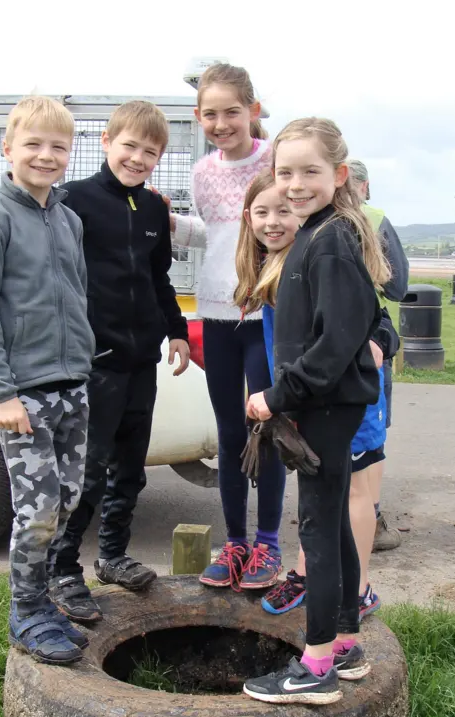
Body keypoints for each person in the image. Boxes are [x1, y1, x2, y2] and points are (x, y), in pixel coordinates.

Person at [242, 117, 389, 705]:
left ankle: (317, 664)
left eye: (310, 172)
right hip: (330, 405)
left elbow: (332, 348)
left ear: (340, 175)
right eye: (285, 173)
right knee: (330, 528)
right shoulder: (318, 232)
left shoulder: (329, 242)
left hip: (324, 407)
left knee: (319, 532)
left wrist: (275, 398)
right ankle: (348, 643)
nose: (295, 184)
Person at [0, 96, 95, 665]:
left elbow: (78, 295)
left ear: (69, 154)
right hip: (24, 395)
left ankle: (44, 602)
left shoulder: (69, 221)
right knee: (35, 510)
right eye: (33, 144)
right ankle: (26, 612)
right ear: (7, 148)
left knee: (65, 502)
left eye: (57, 146)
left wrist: (84, 364)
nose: (46, 155)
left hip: (73, 386)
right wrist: (0, 392)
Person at [50, 101, 190, 621]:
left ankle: (111, 556)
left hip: (140, 361)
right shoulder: (73, 201)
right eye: (129, 146)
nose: (138, 158)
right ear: (106, 141)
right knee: (86, 472)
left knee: (130, 468)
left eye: (149, 152)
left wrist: (176, 331)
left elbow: (159, 280)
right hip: (95, 363)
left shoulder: (154, 209)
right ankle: (62, 570)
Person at [171, 63, 286, 591]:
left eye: (232, 112)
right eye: (210, 114)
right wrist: (172, 225)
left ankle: (268, 544)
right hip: (215, 318)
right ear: (198, 118)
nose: (221, 123)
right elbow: (214, 234)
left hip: (264, 315)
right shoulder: (201, 173)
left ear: (253, 112)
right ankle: (235, 543)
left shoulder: (275, 162)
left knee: (266, 430)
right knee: (228, 430)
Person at [348, 158, 408, 552]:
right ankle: (373, 516)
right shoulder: (376, 217)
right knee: (373, 434)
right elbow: (399, 287)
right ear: (364, 186)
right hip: (370, 338)